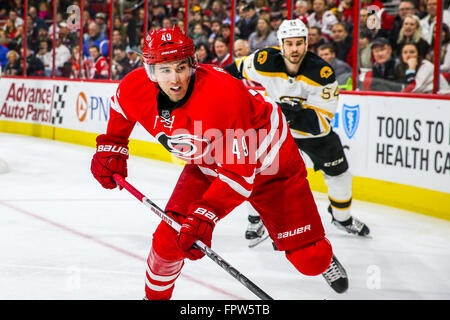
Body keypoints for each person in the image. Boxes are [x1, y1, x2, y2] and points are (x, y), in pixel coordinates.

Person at [90, 25, 349, 299]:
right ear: (150, 71)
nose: (175, 79)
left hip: (272, 168)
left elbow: (240, 176)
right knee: (168, 241)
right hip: (211, 165)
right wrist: (113, 146)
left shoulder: (223, 95)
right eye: (164, 70)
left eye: (180, 67)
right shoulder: (135, 86)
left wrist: (205, 215)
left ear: (192, 63)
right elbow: (121, 106)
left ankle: (322, 256)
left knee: (311, 260)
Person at [224, 19, 370, 243]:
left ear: (306, 44)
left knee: (340, 176)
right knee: (259, 173)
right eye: (289, 44)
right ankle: (257, 217)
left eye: (299, 43)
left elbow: (320, 123)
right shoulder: (265, 61)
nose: (294, 49)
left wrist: (282, 111)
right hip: (278, 131)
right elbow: (236, 69)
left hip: (316, 137)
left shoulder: (322, 73)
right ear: (281, 44)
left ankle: (342, 218)